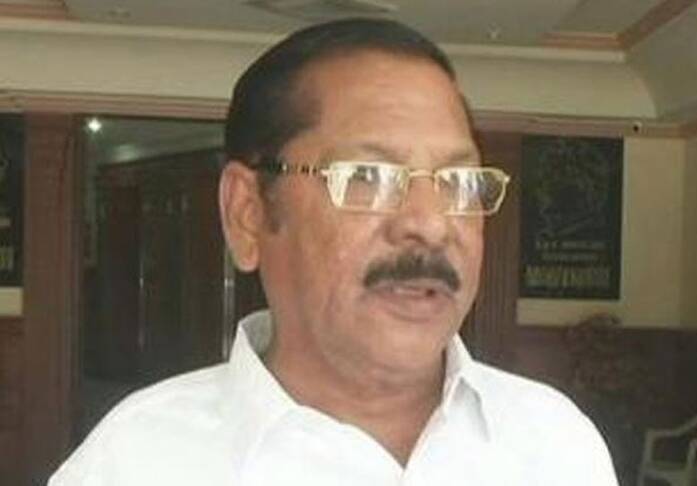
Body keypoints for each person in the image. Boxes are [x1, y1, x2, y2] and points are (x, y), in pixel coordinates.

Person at [50, 18, 619, 485]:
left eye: (458, 182)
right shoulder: (135, 463)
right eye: (368, 176)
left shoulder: (555, 443)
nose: (430, 224)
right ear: (248, 213)